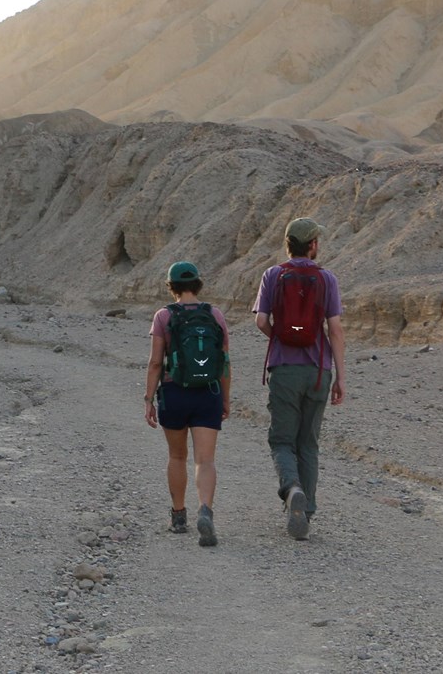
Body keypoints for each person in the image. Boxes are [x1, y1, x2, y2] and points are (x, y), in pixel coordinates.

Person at [252, 217, 346, 541]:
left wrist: (280, 336)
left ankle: (291, 488)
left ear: (287, 244)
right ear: (314, 245)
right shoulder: (328, 279)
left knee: (281, 440)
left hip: (284, 370)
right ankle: (306, 513)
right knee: (309, 442)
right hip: (319, 371)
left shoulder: (273, 275)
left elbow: (261, 320)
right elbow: (335, 330)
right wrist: (340, 377)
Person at [143, 261, 231, 545]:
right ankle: (205, 509)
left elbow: (156, 362)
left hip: (174, 393)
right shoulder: (214, 314)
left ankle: (179, 516)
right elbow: (225, 363)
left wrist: (148, 400)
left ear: (172, 286)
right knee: (205, 460)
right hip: (209, 392)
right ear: (198, 283)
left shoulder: (163, 316)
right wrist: (225, 399)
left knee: (177, 456)